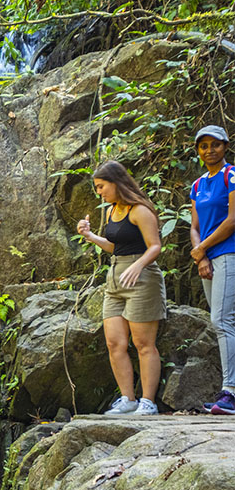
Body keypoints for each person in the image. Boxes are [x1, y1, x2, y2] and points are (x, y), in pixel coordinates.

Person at [77, 160, 166, 415]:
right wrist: (91, 236)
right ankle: (128, 399)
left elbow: (155, 246)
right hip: (116, 278)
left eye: (101, 186)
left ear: (116, 183)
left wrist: (138, 265)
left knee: (143, 343)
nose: (99, 192)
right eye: (97, 188)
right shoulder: (110, 211)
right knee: (115, 343)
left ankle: (147, 401)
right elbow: (116, 247)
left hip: (142, 278)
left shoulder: (139, 210)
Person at [189, 125, 235, 415]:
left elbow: (232, 220)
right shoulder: (197, 185)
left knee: (222, 321)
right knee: (222, 322)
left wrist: (203, 248)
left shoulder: (231, 175)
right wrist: (199, 256)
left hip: (228, 252)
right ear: (197, 151)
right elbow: (194, 226)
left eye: (214, 144)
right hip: (207, 258)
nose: (209, 150)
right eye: (203, 146)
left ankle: (230, 392)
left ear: (225, 146)